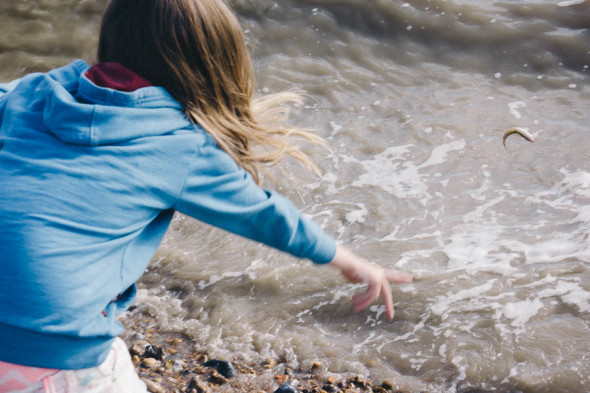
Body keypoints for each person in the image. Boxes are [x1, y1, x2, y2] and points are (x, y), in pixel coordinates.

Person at [0, 0, 413, 391]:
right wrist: (351, 261)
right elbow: (263, 215)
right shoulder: (178, 146)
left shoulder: (33, 91)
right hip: (50, 352)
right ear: (212, 68)